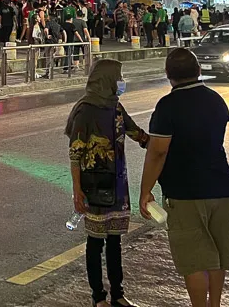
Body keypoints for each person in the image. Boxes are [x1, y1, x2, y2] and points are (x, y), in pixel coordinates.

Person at [139, 48, 229, 307]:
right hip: (223, 187)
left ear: (168, 74)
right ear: (199, 71)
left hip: (185, 192)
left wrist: (145, 190)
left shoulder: (168, 106)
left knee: (194, 261)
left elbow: (158, 152)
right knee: (216, 255)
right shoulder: (216, 99)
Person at [66, 59, 148, 307]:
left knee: (115, 241)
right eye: (118, 77)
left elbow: (136, 134)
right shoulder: (86, 110)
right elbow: (75, 154)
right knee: (95, 242)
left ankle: (118, 294)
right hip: (94, 187)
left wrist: (159, 143)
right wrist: (77, 191)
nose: (121, 82)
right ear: (106, 79)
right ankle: (98, 297)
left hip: (117, 185)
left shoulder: (116, 107)